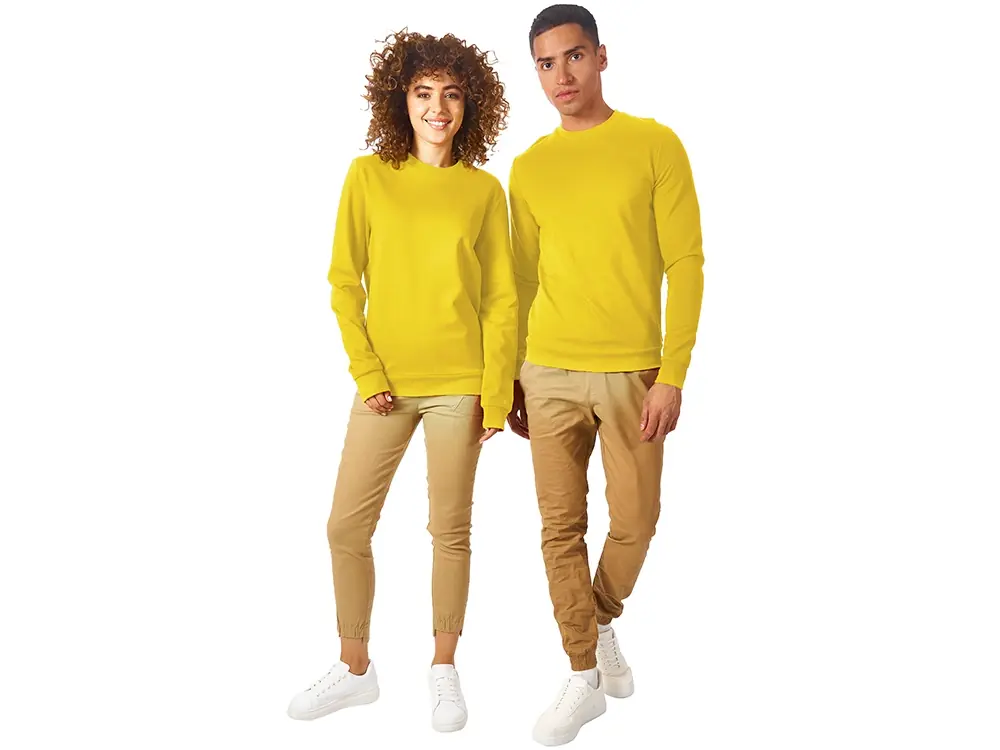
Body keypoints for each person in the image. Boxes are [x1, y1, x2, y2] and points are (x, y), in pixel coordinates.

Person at [287, 30, 517, 733]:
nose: (437, 108)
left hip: (460, 384)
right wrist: (367, 372)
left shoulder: (483, 191)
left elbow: (501, 301)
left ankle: (443, 667)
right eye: (423, 93)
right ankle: (356, 668)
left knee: (450, 529)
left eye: (451, 94)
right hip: (383, 384)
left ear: (470, 105)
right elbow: (343, 283)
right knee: (345, 526)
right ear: (401, 100)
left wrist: (496, 393)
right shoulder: (367, 177)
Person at [506, 5, 705, 745]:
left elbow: (686, 262)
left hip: (632, 372)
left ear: (601, 57)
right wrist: (510, 376)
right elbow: (520, 278)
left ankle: (599, 619)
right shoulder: (529, 167)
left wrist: (672, 373)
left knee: (637, 522)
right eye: (546, 63)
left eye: (574, 56)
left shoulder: (655, 144)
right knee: (560, 527)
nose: (561, 75)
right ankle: (584, 673)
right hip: (546, 368)